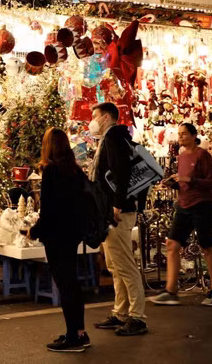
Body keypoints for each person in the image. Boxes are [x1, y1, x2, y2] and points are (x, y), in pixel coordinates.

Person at [151, 123, 212, 307]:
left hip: (202, 205)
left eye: (184, 134)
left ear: (194, 136)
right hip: (183, 204)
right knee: (172, 244)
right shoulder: (182, 156)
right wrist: (173, 184)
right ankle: (171, 291)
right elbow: (184, 183)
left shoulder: (202, 155)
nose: (181, 137)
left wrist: (189, 179)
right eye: (179, 134)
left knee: (207, 246)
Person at [89, 102, 148, 336]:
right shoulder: (110, 138)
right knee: (115, 265)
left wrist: (117, 204)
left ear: (106, 117)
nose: (92, 121)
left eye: (95, 116)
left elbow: (121, 173)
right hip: (110, 210)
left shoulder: (113, 137)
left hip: (118, 212)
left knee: (124, 264)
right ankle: (120, 312)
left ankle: (137, 317)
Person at [29, 128, 89, 353]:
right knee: (71, 283)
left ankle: (73, 336)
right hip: (72, 233)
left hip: (57, 235)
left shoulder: (52, 171)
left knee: (65, 285)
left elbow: (49, 209)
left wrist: (35, 230)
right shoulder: (74, 171)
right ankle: (79, 331)